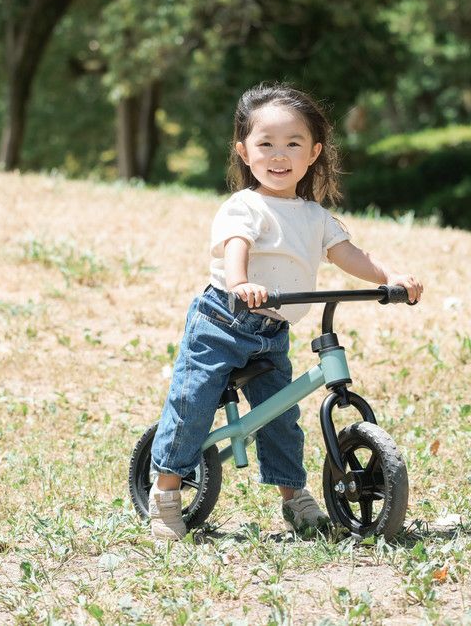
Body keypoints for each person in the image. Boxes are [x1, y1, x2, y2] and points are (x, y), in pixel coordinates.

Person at [149, 82, 423, 540]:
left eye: (293, 144)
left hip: (273, 330)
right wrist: (241, 283)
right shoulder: (245, 206)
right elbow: (236, 245)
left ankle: (294, 497)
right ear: (244, 152)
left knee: (281, 419)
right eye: (266, 144)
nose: (280, 155)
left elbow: (348, 253)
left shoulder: (314, 216)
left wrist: (390, 278)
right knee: (192, 403)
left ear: (314, 153)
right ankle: (165, 492)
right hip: (223, 320)